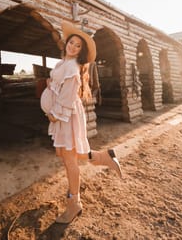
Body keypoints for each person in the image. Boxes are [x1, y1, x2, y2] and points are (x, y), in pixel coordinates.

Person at [40, 21, 122, 224]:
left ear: (81, 51)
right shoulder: (62, 64)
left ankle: (74, 204)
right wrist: (51, 85)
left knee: (70, 160)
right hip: (63, 114)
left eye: (78, 46)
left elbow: (67, 97)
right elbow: (61, 87)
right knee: (69, 153)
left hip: (65, 115)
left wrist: (54, 115)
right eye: (72, 42)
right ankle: (105, 157)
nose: (74, 47)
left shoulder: (73, 68)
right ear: (66, 42)